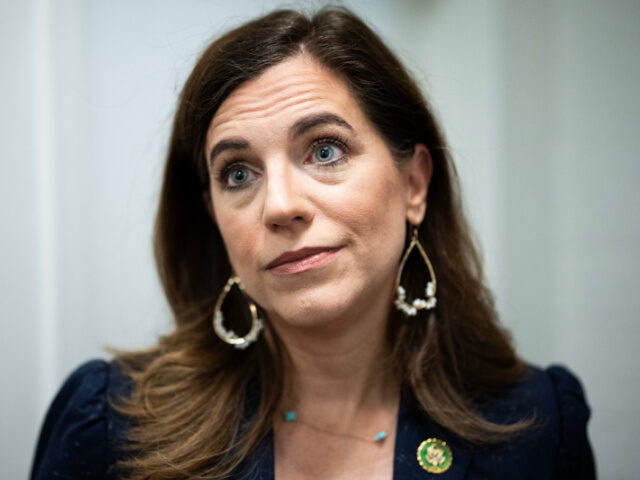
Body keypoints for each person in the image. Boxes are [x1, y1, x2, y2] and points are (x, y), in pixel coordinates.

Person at [30, 7, 596, 480]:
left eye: (325, 150)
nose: (279, 205)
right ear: (214, 218)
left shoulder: (538, 426)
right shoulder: (108, 424)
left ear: (414, 184)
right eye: (237, 173)